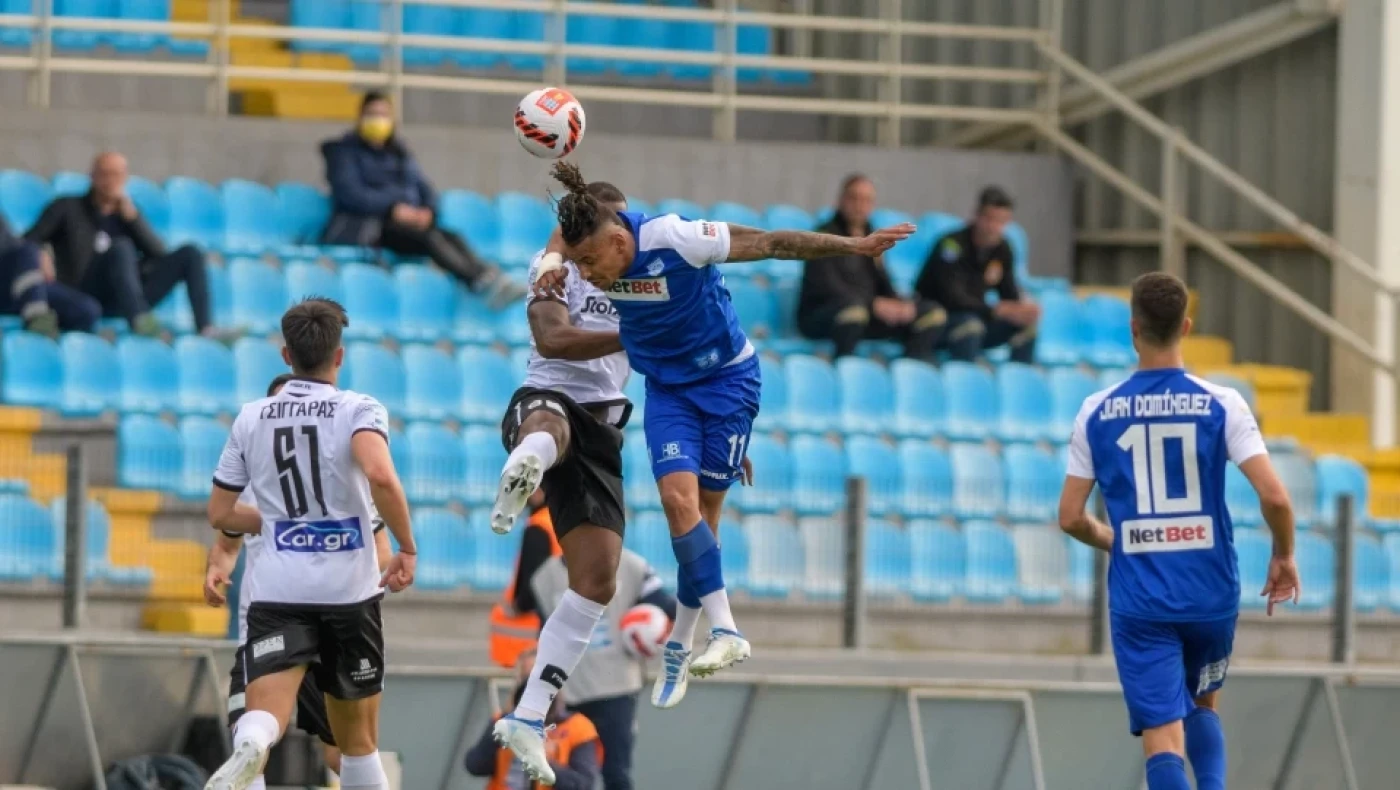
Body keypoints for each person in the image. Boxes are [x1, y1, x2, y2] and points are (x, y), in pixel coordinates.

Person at [537, 161, 912, 714]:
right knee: (675, 502)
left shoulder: (676, 238)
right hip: (668, 390)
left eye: (591, 262)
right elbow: (567, 239)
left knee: (705, 519)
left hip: (727, 383)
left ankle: (679, 643)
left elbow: (771, 242)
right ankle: (727, 630)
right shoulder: (587, 247)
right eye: (578, 263)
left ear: (621, 240)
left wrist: (852, 247)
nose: (586, 276)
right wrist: (551, 258)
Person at [1057, 271, 1300, 790]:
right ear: (1186, 326)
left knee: (1162, 738)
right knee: (1203, 703)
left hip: (1141, 598)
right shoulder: (1224, 403)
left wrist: (1115, 540)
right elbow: (1276, 496)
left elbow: (1071, 516)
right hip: (1210, 590)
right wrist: (1283, 555)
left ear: (1133, 329)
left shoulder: (1096, 412)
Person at [203, 298, 418, 790]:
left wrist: (277, 522)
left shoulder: (251, 417)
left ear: (285, 354)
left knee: (265, 714)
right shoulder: (359, 409)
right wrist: (407, 546)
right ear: (338, 356)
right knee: (357, 744)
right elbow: (381, 475)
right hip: (348, 593)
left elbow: (220, 513)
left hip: (278, 590)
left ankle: (253, 743)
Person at [486, 179, 633, 785]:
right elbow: (552, 338)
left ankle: (527, 714)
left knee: (597, 581)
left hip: (604, 430)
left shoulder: (643, 281)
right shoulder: (552, 272)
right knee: (552, 418)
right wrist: (637, 334)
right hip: (548, 397)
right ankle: (530, 457)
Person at [320, 91, 526, 308]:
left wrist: (427, 211)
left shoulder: (400, 154)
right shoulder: (343, 153)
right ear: (360, 117)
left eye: (383, 115)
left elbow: (424, 189)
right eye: (372, 114)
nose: (378, 120)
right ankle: (479, 283)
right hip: (369, 226)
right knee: (429, 239)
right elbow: (351, 195)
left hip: (405, 223)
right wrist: (393, 209)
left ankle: (490, 277)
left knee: (450, 235)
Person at [25, 152, 217, 338]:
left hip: (126, 297)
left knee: (190, 253)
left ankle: (205, 328)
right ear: (92, 177)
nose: (110, 181)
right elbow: (27, 242)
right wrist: (40, 252)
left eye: (117, 175)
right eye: (105, 174)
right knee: (121, 247)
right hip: (84, 294)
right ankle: (139, 319)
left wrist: (134, 219)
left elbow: (159, 254)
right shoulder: (67, 207)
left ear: (125, 178)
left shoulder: (129, 214)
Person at [531, 546, 677, 790]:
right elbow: (545, 636)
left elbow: (666, 607)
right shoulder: (545, 577)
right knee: (569, 776)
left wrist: (650, 632)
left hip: (617, 690)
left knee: (616, 774)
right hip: (569, 693)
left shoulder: (632, 565)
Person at [797, 174, 945, 360]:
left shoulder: (870, 234)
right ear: (841, 200)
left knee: (931, 312)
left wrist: (898, 304)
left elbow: (882, 279)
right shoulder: (823, 234)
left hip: (867, 311)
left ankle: (908, 370)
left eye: (866, 200)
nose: (860, 205)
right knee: (854, 312)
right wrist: (872, 303)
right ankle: (844, 368)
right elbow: (826, 286)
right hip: (824, 313)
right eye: (854, 198)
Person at [915, 186, 1039, 363]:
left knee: (1026, 328)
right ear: (977, 215)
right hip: (939, 320)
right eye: (990, 219)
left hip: (978, 315)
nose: (994, 227)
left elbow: (1008, 293)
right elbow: (953, 298)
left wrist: (1021, 310)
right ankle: (966, 383)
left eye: (1001, 221)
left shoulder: (1002, 249)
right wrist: (995, 310)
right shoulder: (951, 245)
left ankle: (1019, 383)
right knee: (970, 326)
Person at [464, 649, 601, 790]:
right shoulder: (504, 722)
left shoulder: (577, 727)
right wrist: (505, 719)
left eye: (542, 680)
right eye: (527, 679)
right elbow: (475, 766)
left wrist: (546, 764)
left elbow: (584, 784)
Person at [487, 490, 561, 670]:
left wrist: (517, 607)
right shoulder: (560, 522)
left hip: (526, 644)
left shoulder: (539, 527)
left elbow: (534, 585)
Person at [0, 214, 99, 336]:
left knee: (88, 309)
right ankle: (38, 319)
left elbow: (15, 246)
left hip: (17, 286)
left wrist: (40, 254)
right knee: (29, 250)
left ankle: (48, 333)